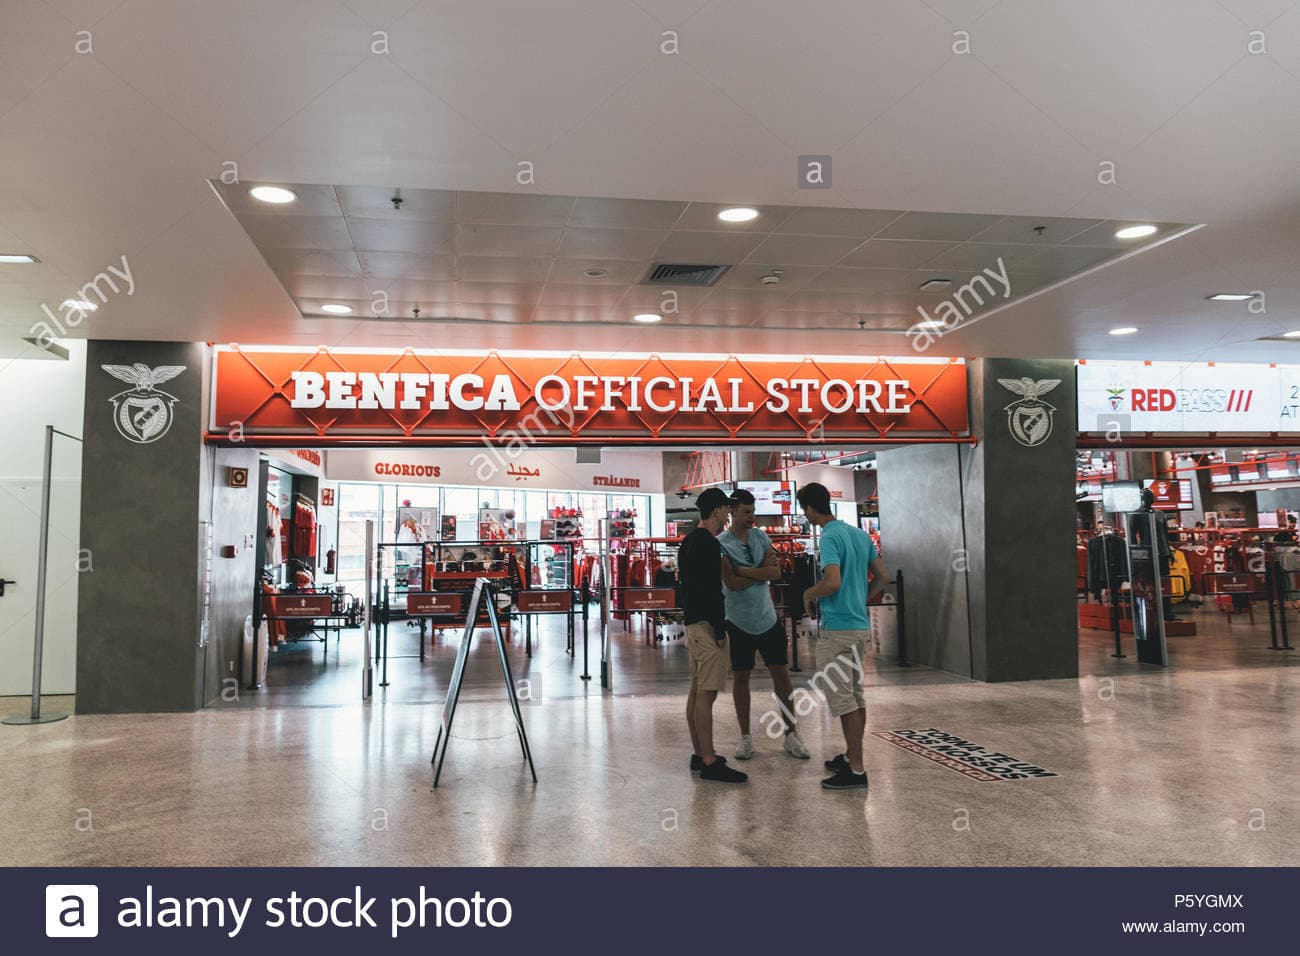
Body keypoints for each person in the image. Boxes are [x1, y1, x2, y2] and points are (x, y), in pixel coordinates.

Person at [797, 482, 887, 791]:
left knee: (843, 699)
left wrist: (810, 592)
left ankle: (857, 770)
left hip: (837, 630)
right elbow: (883, 577)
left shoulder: (830, 537)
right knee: (856, 695)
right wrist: (861, 599)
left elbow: (832, 582)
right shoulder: (859, 535)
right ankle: (851, 757)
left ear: (810, 509)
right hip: (860, 627)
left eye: (804, 510)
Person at [718, 489, 810, 761]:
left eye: (753, 511)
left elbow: (775, 571)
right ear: (732, 512)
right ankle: (745, 737)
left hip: (768, 619)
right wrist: (759, 572)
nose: (751, 517)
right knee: (741, 677)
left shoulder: (761, 536)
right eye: (746, 512)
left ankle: (791, 734)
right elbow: (732, 584)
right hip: (737, 621)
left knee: (781, 674)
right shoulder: (721, 543)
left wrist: (744, 569)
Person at [678, 487, 747, 783]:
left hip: (693, 624)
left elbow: (690, 588)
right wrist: (720, 630)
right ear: (717, 511)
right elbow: (711, 591)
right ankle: (709, 761)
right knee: (706, 695)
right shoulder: (708, 543)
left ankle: (699, 752)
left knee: (696, 691)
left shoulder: (689, 541)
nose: (728, 515)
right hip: (707, 627)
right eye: (726, 510)